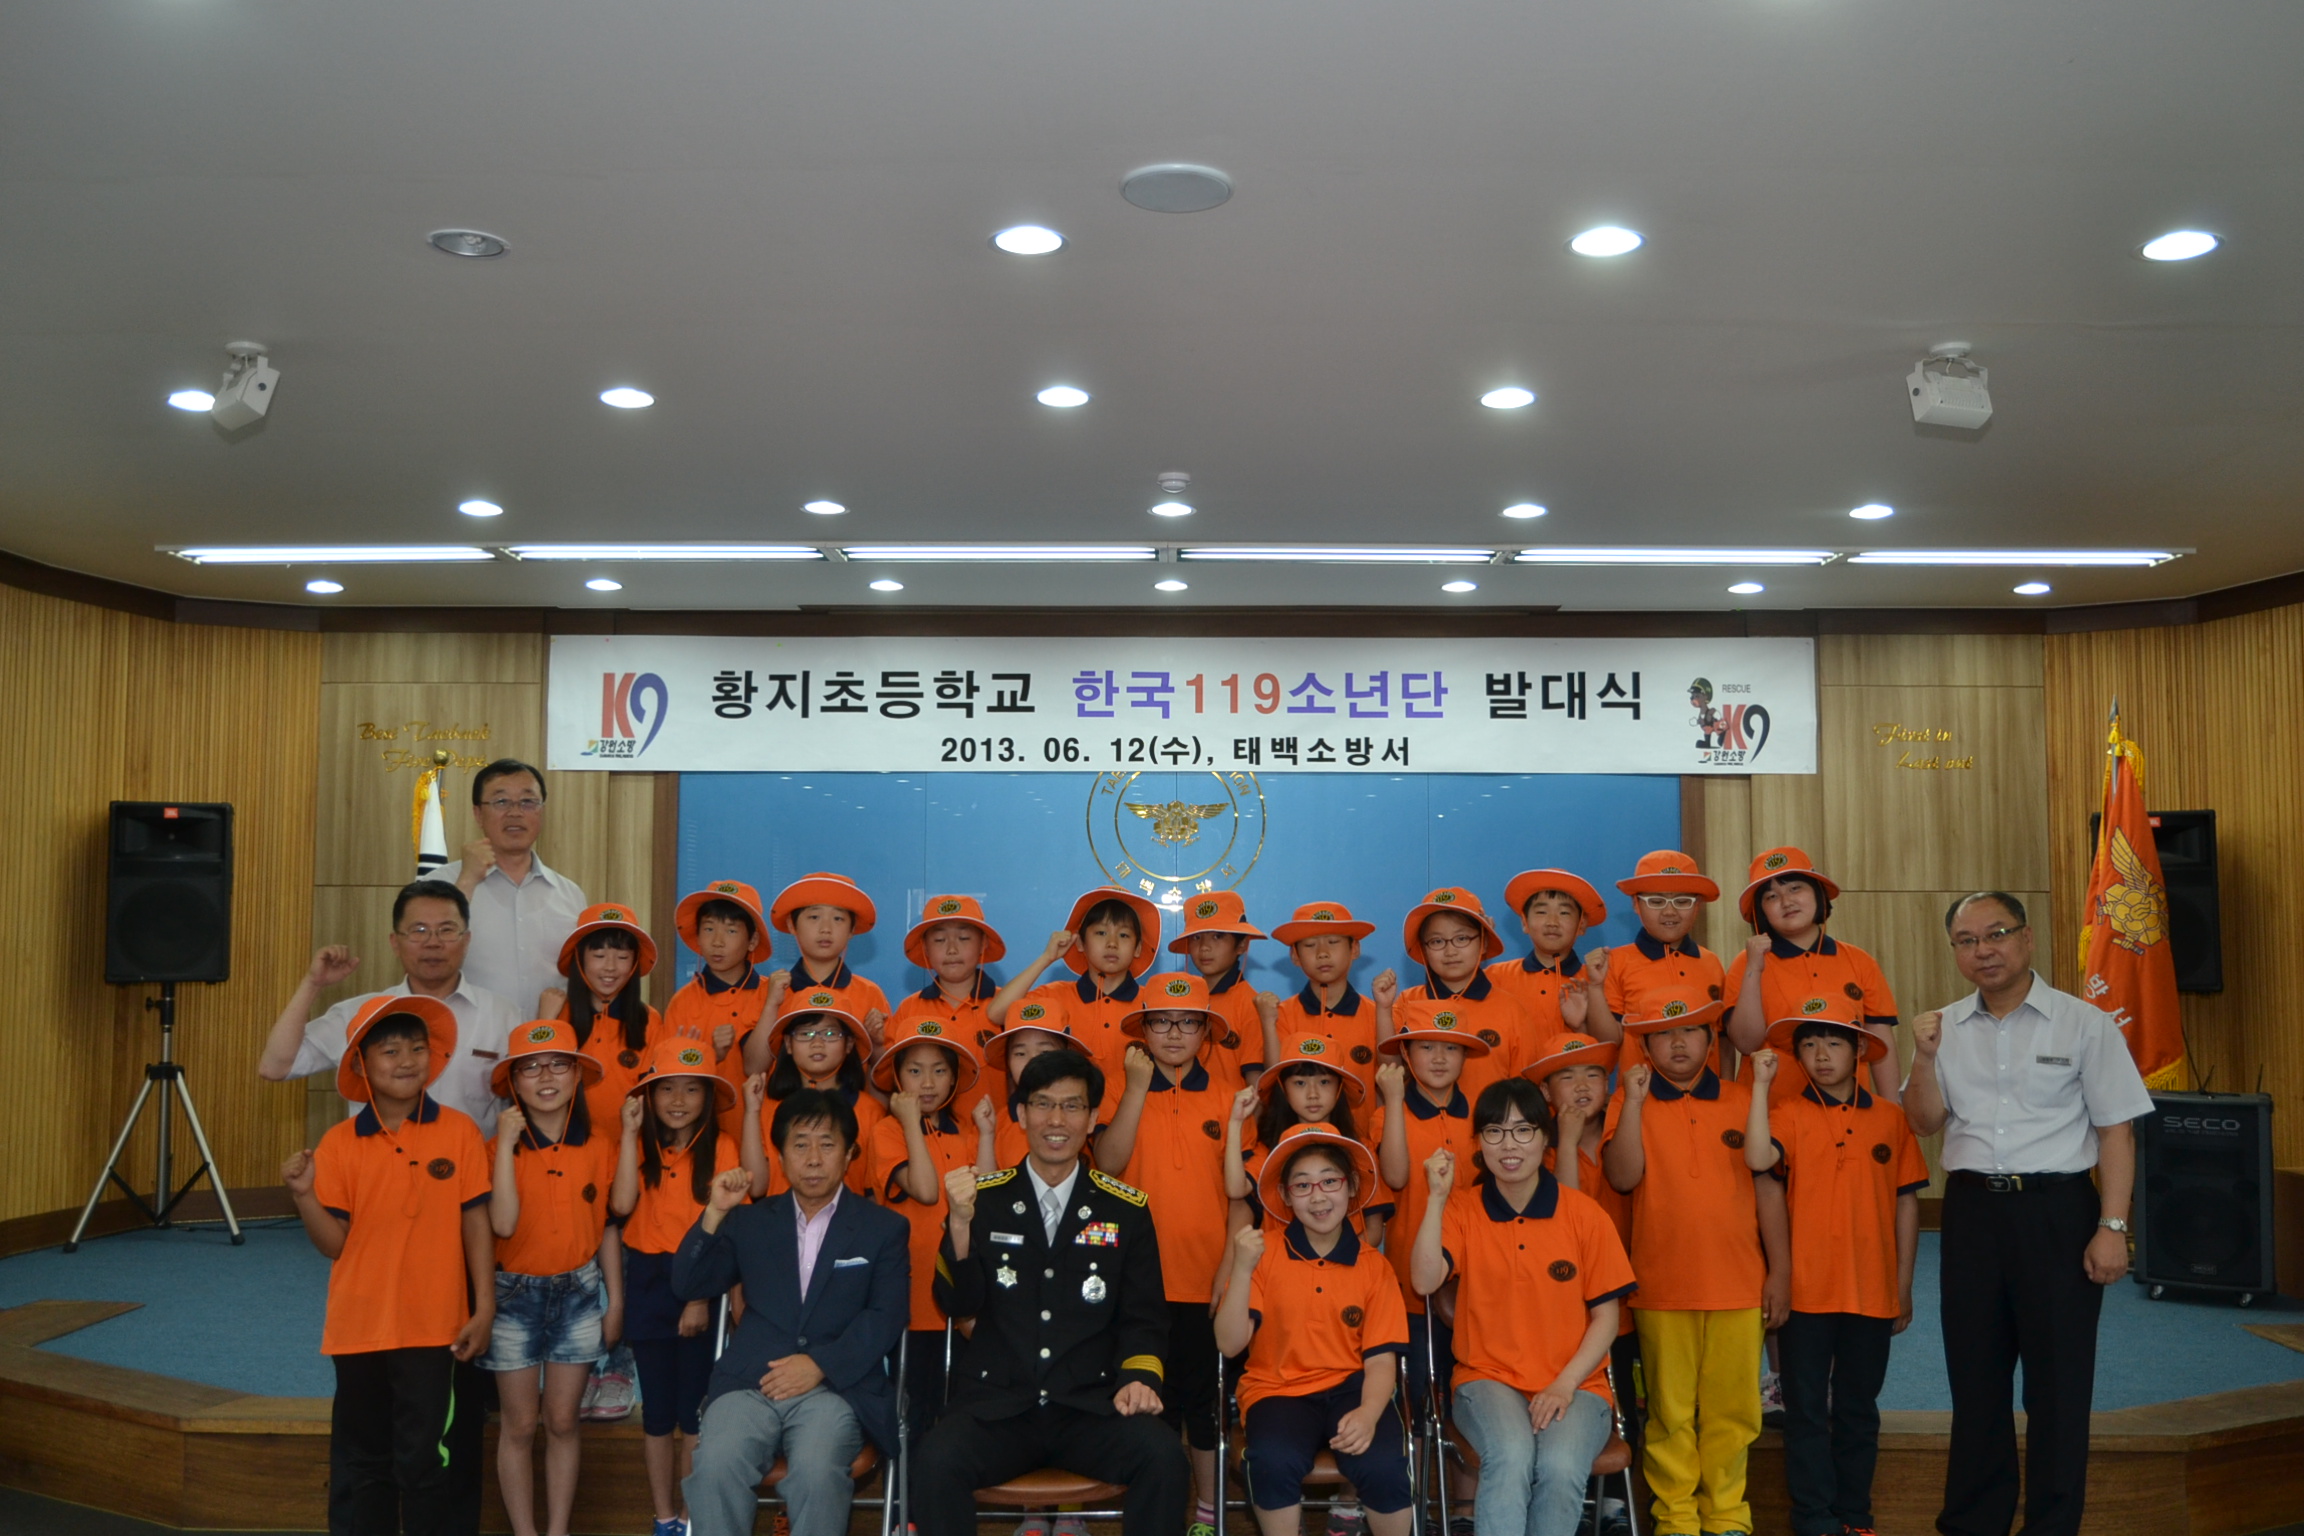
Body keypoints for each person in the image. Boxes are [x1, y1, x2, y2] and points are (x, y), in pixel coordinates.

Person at [1903, 892, 2152, 1536]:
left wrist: (2113, 1227)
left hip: (2058, 1213)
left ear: (2028, 937)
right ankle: (1973, 1522)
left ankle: (2052, 1525)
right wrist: (1923, 1058)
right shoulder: (1944, 1028)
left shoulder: (2084, 1023)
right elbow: (1924, 1123)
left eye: (1996, 934)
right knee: (1975, 1379)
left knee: (2058, 1387)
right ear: (1955, 951)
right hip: (1971, 1216)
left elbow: (2116, 1133)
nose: (1983, 951)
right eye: (1966, 941)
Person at [912, 1048, 1190, 1536]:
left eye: (1072, 1105)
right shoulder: (984, 1200)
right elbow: (957, 1305)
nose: (1056, 1120)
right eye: (1042, 1104)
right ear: (1020, 1114)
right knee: (935, 1460)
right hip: (1000, 1407)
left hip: (1091, 1406)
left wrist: (1139, 1377)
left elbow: (1145, 1316)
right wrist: (958, 1224)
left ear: (1093, 1118)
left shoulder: (1124, 1210)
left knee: (1165, 1457)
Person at [281, 996, 494, 1536]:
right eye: (390, 1051)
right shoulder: (338, 1144)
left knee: (425, 1462)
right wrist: (304, 1196)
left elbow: (476, 1225)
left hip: (434, 1330)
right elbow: (333, 1245)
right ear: (360, 1063)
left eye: (417, 1049)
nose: (406, 1061)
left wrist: (484, 1307)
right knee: (366, 1463)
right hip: (358, 1330)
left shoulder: (460, 1132)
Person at [675, 1089, 911, 1536]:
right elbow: (689, 1285)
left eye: (827, 1144)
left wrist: (820, 1365)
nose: (814, 1159)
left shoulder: (883, 1228)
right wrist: (714, 1213)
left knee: (817, 1472)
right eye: (800, 1145)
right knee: (715, 1467)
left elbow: (887, 1315)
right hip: (750, 1385)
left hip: (835, 1389)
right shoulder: (750, 1221)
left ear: (849, 1154)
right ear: (780, 1157)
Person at [1603, 985, 1791, 1536]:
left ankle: (1727, 1513)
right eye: (1663, 1034)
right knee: (1669, 1411)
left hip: (1739, 1285)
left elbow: (1769, 1193)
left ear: (1712, 1038)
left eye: (1689, 1030)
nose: (1678, 1043)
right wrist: (1632, 1103)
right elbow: (1622, 1176)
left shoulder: (1743, 1099)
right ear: (1645, 1047)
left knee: (1734, 1411)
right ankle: (1676, 1517)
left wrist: (1780, 1272)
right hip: (1662, 1288)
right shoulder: (1627, 1102)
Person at [1412, 1079, 1635, 1536]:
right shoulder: (1462, 1208)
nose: (1508, 1144)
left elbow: (1607, 1318)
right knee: (1511, 1455)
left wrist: (1563, 1385)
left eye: (1522, 1130)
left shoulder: (1585, 1215)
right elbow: (1424, 1281)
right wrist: (1436, 1199)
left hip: (1577, 1383)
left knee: (1559, 1466)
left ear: (1545, 1137)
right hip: (1487, 1379)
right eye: (1494, 1131)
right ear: (1479, 1143)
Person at [1741, 998, 1926, 1536]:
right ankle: (1814, 1518)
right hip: (1807, 1292)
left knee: (1857, 1408)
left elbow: (1907, 1204)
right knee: (1805, 1411)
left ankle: (1854, 1515)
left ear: (1859, 1051)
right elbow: (1757, 1158)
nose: (1821, 1055)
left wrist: (1904, 1283)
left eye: (1834, 1043)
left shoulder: (1890, 1118)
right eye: (1809, 1045)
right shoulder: (1787, 1114)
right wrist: (1759, 1088)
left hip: (1871, 1291)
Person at [1095, 974, 1241, 1536]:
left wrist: (1228, 1272)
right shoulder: (1119, 1085)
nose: (1174, 1032)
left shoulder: (1228, 1095)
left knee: (1203, 1407)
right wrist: (1136, 1088)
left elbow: (1241, 1200)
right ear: (1143, 1029)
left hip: (1205, 1281)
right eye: (1161, 1021)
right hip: (1134, 1285)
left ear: (1206, 1031)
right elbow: (1108, 1163)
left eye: (1188, 1022)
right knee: (1142, 1404)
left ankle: (1207, 1513)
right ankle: (1155, 1515)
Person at [1215, 1122, 1411, 1536]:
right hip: (1278, 1390)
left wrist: (1369, 1414)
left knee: (1384, 1465)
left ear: (1351, 1185)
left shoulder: (1375, 1266)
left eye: (1329, 1181)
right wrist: (1242, 1269)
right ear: (1286, 1196)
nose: (1318, 1196)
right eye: (1302, 1185)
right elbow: (1229, 1344)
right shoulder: (1263, 1254)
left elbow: (1381, 1362)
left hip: (1353, 1389)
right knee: (1271, 1460)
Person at [612, 1035, 771, 1536]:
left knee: (694, 1413)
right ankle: (663, 1517)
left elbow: (727, 1232)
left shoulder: (721, 1148)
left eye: (691, 1089)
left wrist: (699, 1298)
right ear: (649, 1096)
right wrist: (627, 1135)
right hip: (647, 1280)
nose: (678, 1100)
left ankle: (691, 1517)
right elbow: (620, 1205)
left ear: (708, 1096)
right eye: (666, 1089)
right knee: (657, 1414)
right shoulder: (638, 1146)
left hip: (702, 1284)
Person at [482, 1020, 623, 1536]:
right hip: (512, 1295)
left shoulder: (599, 1145)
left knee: (563, 1420)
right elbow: (501, 1224)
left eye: (559, 1064)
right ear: (513, 1083)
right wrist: (505, 1145)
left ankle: (557, 1530)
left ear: (577, 1076)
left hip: (579, 1292)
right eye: (530, 1067)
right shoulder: (494, 1149)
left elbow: (607, 1227)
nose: (546, 1076)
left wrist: (616, 1301)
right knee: (520, 1423)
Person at [259, 879, 522, 1129]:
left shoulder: (503, 1015)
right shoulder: (360, 1014)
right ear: (395, 943)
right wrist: (312, 984)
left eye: (446, 930)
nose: (433, 942)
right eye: (419, 931)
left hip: (471, 1159)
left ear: (466, 940)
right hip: (378, 1160)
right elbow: (275, 1067)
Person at [868, 1015, 987, 1444]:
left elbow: (986, 1193)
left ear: (954, 1077)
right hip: (913, 1296)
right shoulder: (886, 1131)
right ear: (897, 1078)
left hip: (964, 1294)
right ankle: (911, 1488)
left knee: (962, 1409)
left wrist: (987, 1134)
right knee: (916, 1409)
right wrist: (908, 1123)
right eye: (915, 1071)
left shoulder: (967, 1131)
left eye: (939, 1070)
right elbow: (924, 1189)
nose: (928, 1082)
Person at [1721, 848, 1901, 1105]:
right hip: (1769, 1113)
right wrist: (1754, 969)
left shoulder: (1859, 961)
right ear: (1761, 912)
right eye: (1772, 896)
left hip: (1850, 1112)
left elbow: (1881, 1044)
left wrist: (1892, 1112)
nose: (1786, 901)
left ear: (1818, 893)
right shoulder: (1746, 963)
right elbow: (1746, 1044)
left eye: (1795, 888)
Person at [436, 759, 588, 1017]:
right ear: (478, 814)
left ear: (541, 811)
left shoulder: (570, 895)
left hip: (546, 1038)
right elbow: (427, 956)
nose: (515, 812)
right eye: (501, 801)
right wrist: (467, 881)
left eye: (528, 802)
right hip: (466, 1037)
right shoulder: (440, 884)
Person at [988, 887, 1165, 1084]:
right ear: (1080, 943)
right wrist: (1046, 958)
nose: (1112, 943)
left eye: (1123, 935)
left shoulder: (1152, 1004)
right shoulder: (1054, 997)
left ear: (1138, 948)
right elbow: (997, 1013)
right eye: (1101, 933)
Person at [1380, 886, 1534, 1102]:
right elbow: (1389, 1071)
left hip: (1491, 1123)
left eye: (1462, 938)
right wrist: (1383, 1009)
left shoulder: (1511, 1009)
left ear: (1484, 942)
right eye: (1437, 941)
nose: (1450, 951)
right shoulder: (1408, 1002)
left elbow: (1524, 1091)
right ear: (1424, 949)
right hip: (1422, 1123)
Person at [1225, 1036, 1383, 1241]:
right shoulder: (1270, 1150)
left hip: (1349, 1258)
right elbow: (1236, 1189)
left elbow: (1374, 1231)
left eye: (1324, 1082)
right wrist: (1235, 1122)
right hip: (1282, 1258)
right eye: (1300, 1083)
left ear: (1339, 1088)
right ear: (1283, 1088)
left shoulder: (1361, 1150)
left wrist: (1336, 1256)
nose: (1313, 1094)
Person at [663, 879, 786, 1133]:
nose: (717, 941)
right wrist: (710, 1055)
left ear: (752, 940)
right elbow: (668, 1078)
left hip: (768, 1130)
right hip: (705, 1134)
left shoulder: (774, 995)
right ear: (697, 936)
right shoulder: (682, 1002)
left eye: (731, 931)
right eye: (709, 929)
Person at [742, 872, 892, 1067]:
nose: (826, 928)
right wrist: (772, 1005)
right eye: (814, 917)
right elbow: (753, 1067)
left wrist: (876, 1043)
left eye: (838, 918)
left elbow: (886, 1073)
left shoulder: (869, 994)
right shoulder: (771, 990)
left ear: (852, 929)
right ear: (792, 925)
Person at [541, 902, 667, 1131]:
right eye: (599, 955)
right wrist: (544, 1023)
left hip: (631, 1145)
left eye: (622, 957)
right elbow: (538, 1087)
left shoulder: (649, 1020)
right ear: (579, 958)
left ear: (635, 962)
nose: (610, 967)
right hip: (570, 1146)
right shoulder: (557, 1014)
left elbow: (654, 1097)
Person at [1582, 851, 1725, 1051]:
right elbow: (1608, 1041)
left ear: (1697, 906)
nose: (1669, 911)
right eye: (1656, 902)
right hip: (1638, 1072)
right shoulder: (1613, 964)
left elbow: (1722, 1037)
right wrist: (1595, 988)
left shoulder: (1711, 962)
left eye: (1682, 901)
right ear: (1636, 904)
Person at [890, 894, 1009, 1124]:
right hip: (928, 1139)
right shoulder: (910, 1009)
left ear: (983, 943)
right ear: (925, 947)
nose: (952, 949)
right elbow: (891, 1079)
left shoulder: (1005, 1005)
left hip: (996, 1136)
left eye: (964, 938)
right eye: (939, 940)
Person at [758, 991, 885, 1195]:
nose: (817, 1043)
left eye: (830, 1034)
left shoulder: (871, 1111)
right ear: (788, 1044)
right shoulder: (767, 1107)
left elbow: (873, 1191)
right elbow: (757, 1186)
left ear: (849, 1044)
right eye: (805, 1034)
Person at [1168, 891, 1281, 1089]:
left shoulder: (1251, 1005)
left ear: (1242, 945)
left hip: (1233, 1108)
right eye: (1196, 937)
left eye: (1217, 936)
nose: (1204, 947)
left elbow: (1256, 1085)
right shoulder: (1181, 1002)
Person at [1486, 870, 1611, 1045]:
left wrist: (1580, 1026)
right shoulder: (1495, 977)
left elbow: (1609, 1047)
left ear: (1581, 925)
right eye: (1541, 912)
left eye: (1564, 913)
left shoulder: (1595, 981)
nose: (1552, 922)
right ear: (1524, 923)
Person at [1269, 902, 1379, 1072]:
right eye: (1310, 945)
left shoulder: (1377, 1016)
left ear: (1354, 949)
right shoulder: (1279, 1017)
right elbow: (1274, 1079)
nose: (1322, 953)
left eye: (1333, 942)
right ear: (1295, 956)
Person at [978, 999, 1076, 1167]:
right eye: (1020, 1053)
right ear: (1007, 1061)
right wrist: (987, 1136)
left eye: (1045, 1052)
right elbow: (985, 1182)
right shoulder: (993, 1125)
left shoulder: (1081, 1114)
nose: (1033, 1062)